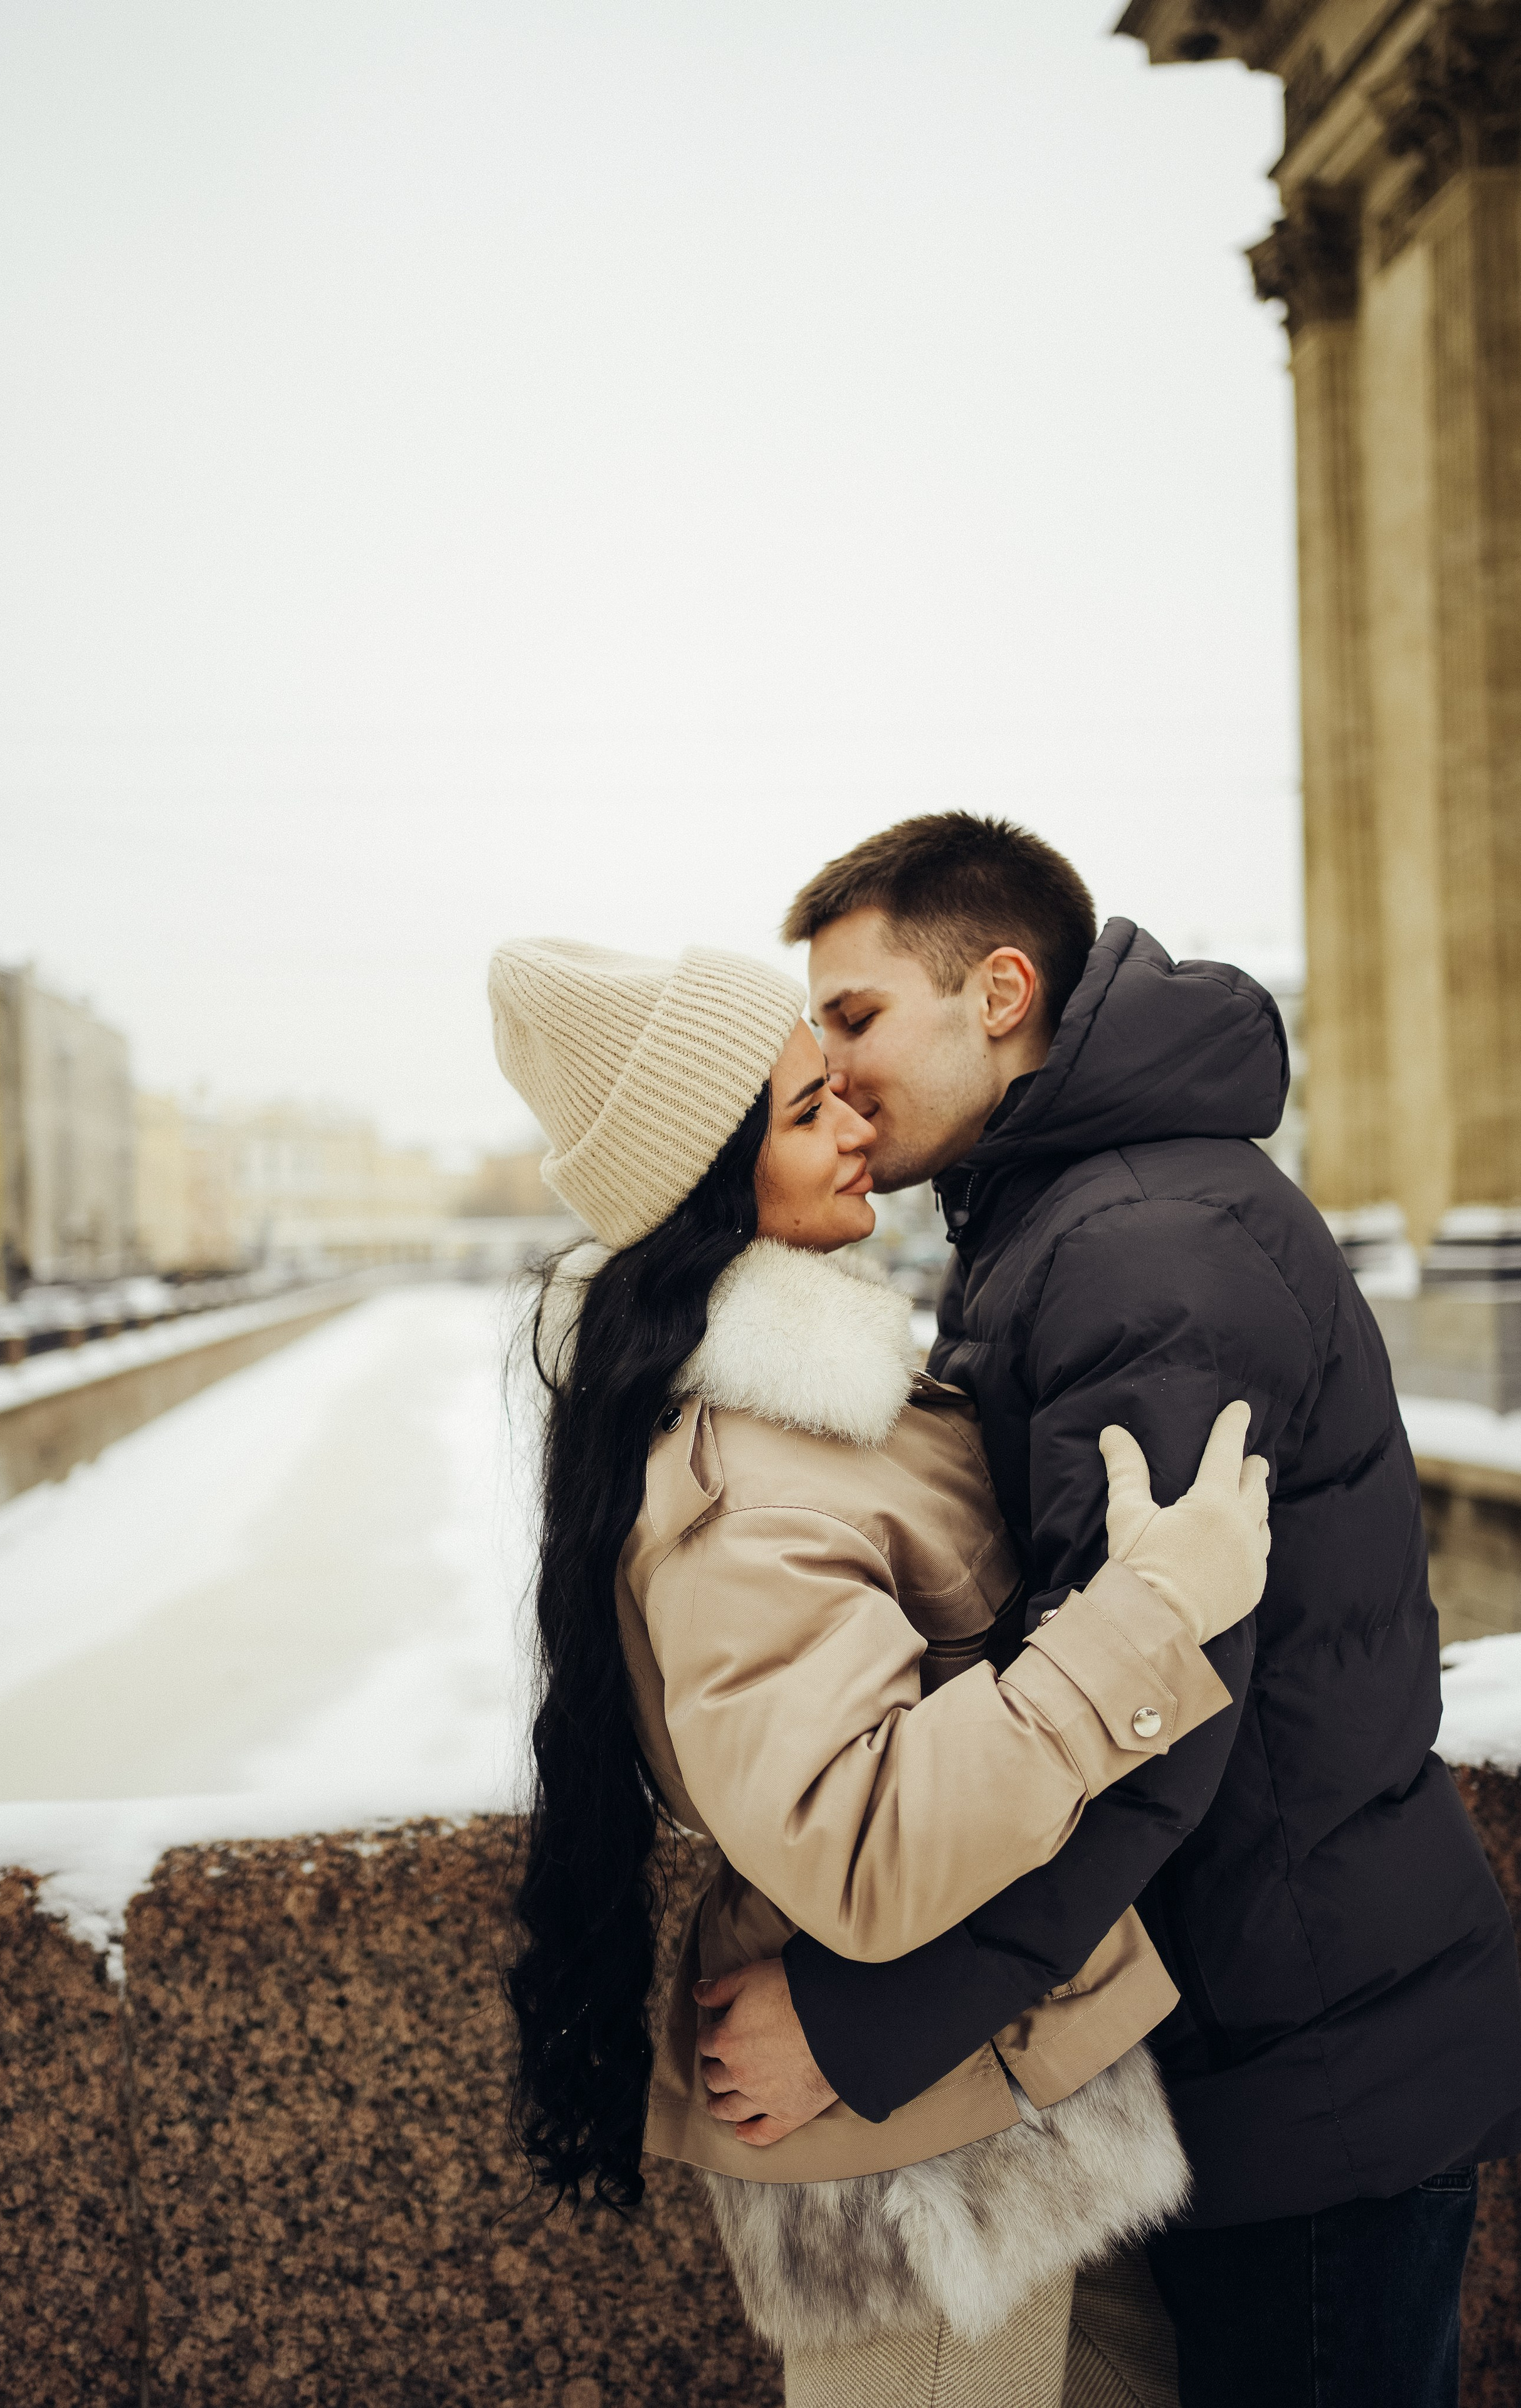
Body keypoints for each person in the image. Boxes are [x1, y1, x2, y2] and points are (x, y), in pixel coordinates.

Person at [696, 812, 1521, 2408]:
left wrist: (863, 2025)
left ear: (999, 992)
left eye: (856, 1016)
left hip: (1299, 2062)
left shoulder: (1139, 1254)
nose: (831, 1069)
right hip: (1268, 2028)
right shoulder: (1066, 1218)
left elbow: (1152, 1720)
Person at [488, 934, 1271, 2408]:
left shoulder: (814, 1409)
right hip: (918, 2182)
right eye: (806, 1110)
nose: (857, 1118)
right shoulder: (748, 1487)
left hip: (980, 2101)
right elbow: (860, 1848)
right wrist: (1153, 1610)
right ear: (713, 1190)